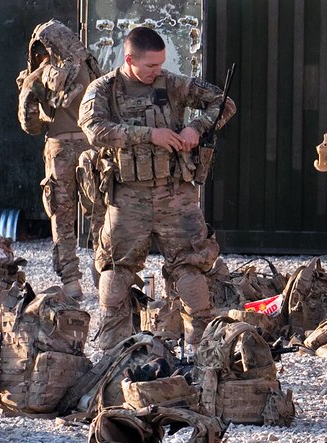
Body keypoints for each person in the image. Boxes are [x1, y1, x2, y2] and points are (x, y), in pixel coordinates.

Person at [78, 27, 235, 350]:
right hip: (127, 196)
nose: (156, 71)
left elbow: (223, 102)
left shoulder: (172, 83)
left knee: (191, 267)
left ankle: (201, 352)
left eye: (160, 64)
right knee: (115, 269)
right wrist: (150, 135)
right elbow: (94, 129)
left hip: (175, 194)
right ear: (129, 59)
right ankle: (113, 353)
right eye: (150, 65)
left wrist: (196, 127)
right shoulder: (103, 89)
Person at [17, 20, 104, 300]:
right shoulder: (90, 66)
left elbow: (29, 124)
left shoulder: (39, 75)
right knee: (99, 212)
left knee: (62, 218)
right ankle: (103, 271)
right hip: (92, 148)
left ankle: (71, 282)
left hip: (59, 149)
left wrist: (33, 96)